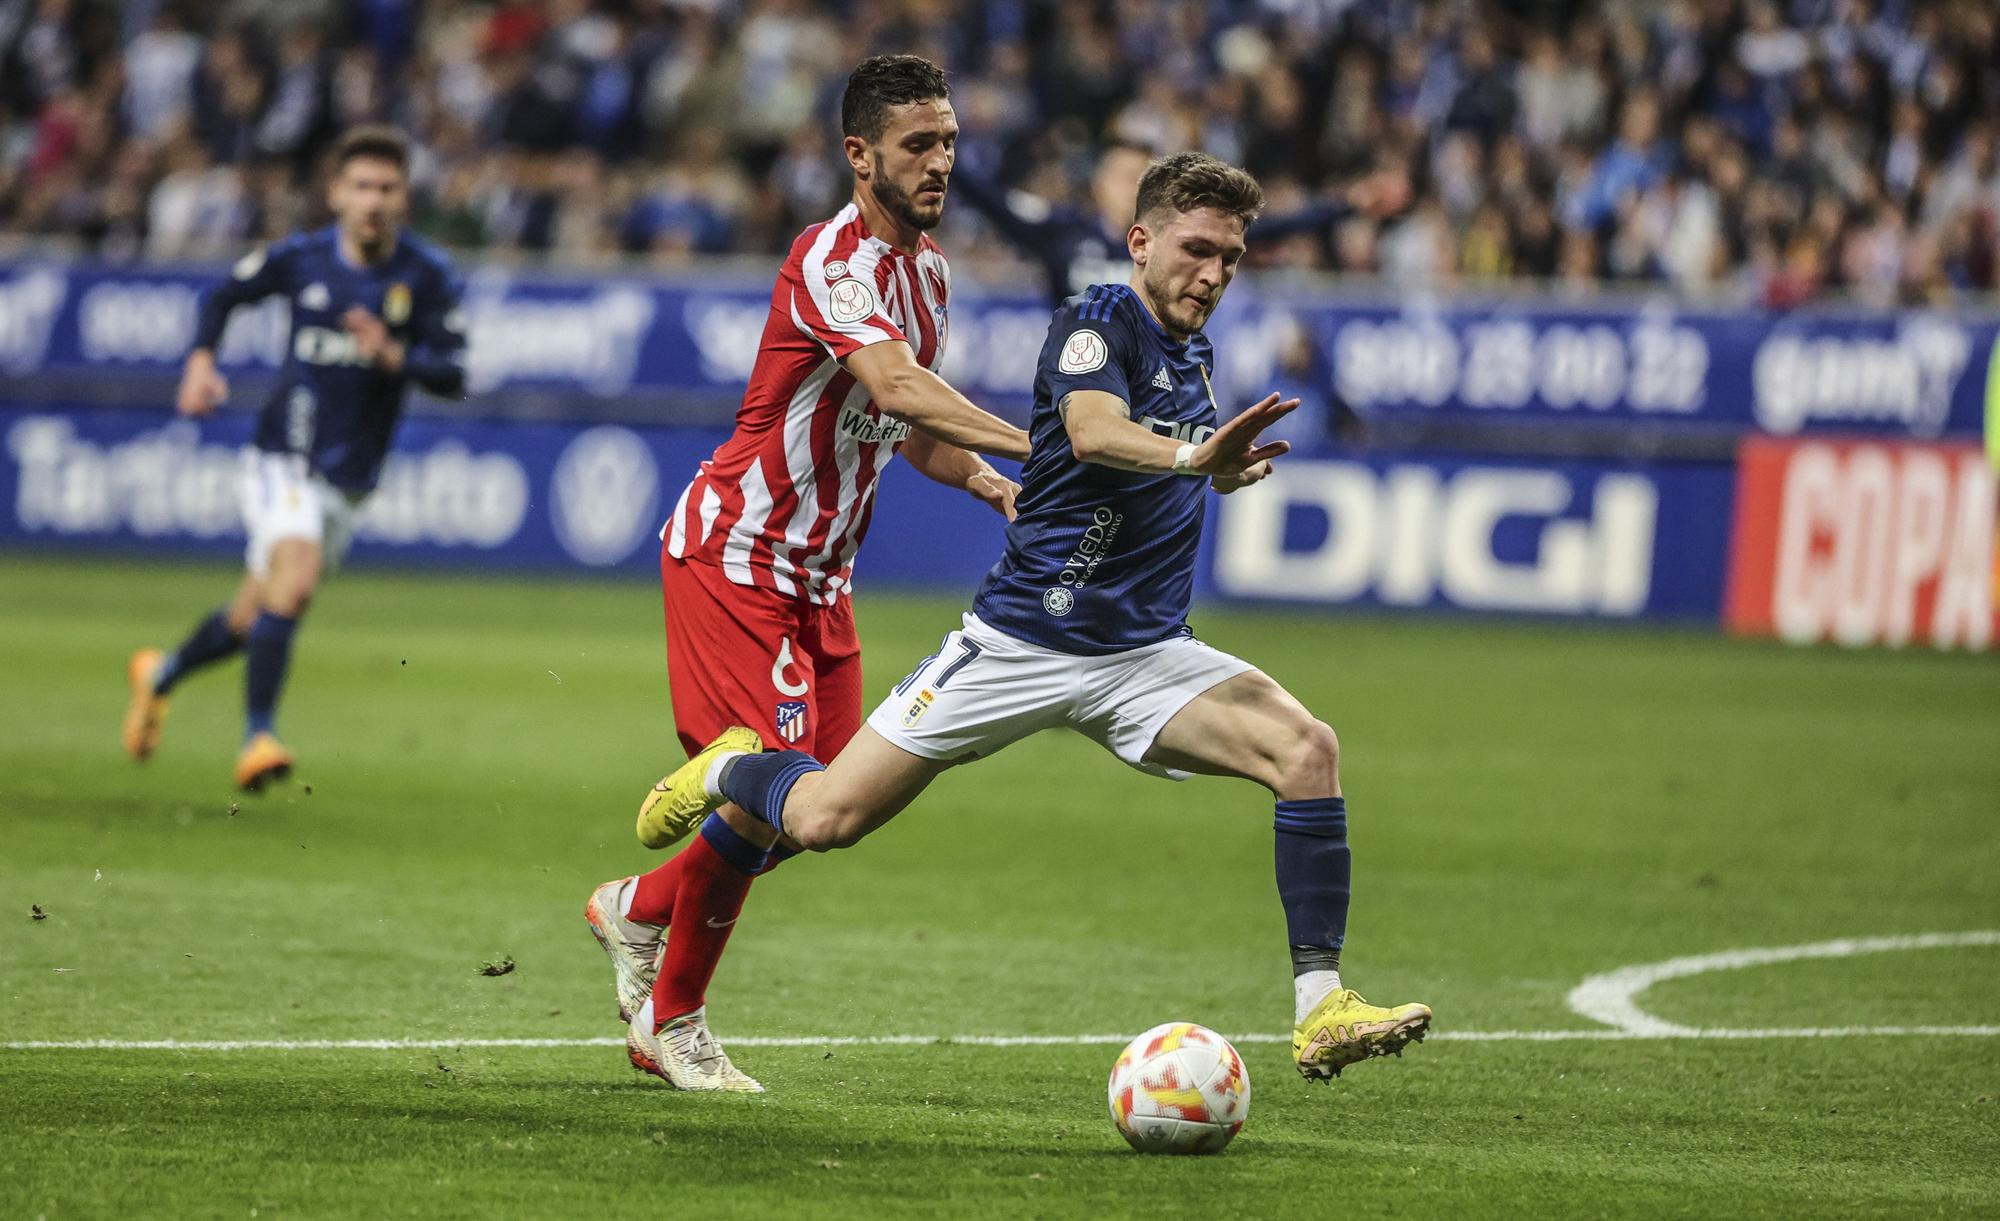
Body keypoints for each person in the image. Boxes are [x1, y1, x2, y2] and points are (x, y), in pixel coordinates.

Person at [640, 152, 1432, 1083]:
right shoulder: (1098, 321)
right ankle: (730, 764)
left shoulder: (1194, 351)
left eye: (1232, 256)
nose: (1214, 273)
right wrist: (1192, 459)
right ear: (1140, 243)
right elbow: (1092, 430)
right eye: (1197, 249)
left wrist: (1200, 462)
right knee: (820, 818)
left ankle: (1320, 1006)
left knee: (1307, 750)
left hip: (1143, 654)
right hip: (1022, 644)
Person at [582, 55, 1030, 1092]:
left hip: (821, 581)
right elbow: (895, 383)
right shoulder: (831, 258)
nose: (940, 162)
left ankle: (639, 908)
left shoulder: (928, 275)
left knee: (824, 812)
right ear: (858, 153)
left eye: (949, 142)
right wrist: (1039, 448)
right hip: (739, 553)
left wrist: (983, 482)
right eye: (918, 144)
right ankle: (672, 1023)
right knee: (773, 797)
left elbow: (904, 427)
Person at [121, 125, 466, 791]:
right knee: (298, 573)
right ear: (336, 193)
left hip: (350, 480)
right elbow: (223, 295)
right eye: (361, 185)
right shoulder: (302, 258)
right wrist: (199, 364)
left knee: (259, 608)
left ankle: (160, 673)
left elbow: (453, 370)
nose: (373, 199)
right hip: (282, 456)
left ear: (404, 197)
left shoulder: (425, 276)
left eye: (387, 187)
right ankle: (258, 735)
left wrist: (393, 354)